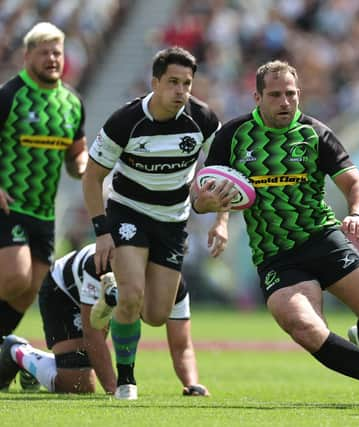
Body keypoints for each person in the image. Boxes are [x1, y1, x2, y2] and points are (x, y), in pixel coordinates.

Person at [192, 60, 359, 411]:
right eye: (276, 95)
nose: (285, 102)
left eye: (291, 94)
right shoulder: (233, 136)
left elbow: (355, 184)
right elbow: (206, 192)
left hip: (323, 238)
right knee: (305, 328)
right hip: (276, 255)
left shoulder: (315, 133)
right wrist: (209, 207)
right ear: (257, 97)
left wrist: (357, 213)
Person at [81, 46, 225, 400]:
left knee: (157, 315)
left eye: (187, 84)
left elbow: (226, 174)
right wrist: (102, 232)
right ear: (155, 82)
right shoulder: (125, 121)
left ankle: (111, 297)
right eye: (173, 82)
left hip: (173, 222)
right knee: (132, 297)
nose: (180, 91)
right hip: (128, 213)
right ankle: (126, 380)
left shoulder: (203, 120)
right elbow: (91, 176)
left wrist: (220, 221)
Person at [0, 243, 209, 396]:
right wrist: (114, 390)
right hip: (62, 290)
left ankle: (35, 369)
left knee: (79, 381)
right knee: (78, 384)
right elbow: (93, 334)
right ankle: (16, 351)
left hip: (100, 302)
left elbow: (182, 345)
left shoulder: (175, 286)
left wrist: (193, 385)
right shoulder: (102, 264)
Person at [0, 22, 88, 342]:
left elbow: (78, 153)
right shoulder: (10, 95)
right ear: (27, 56)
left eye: (57, 52)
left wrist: (84, 166)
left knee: (27, 291)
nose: (52, 59)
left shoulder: (73, 104)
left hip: (44, 211)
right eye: (44, 53)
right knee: (14, 278)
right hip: (10, 203)